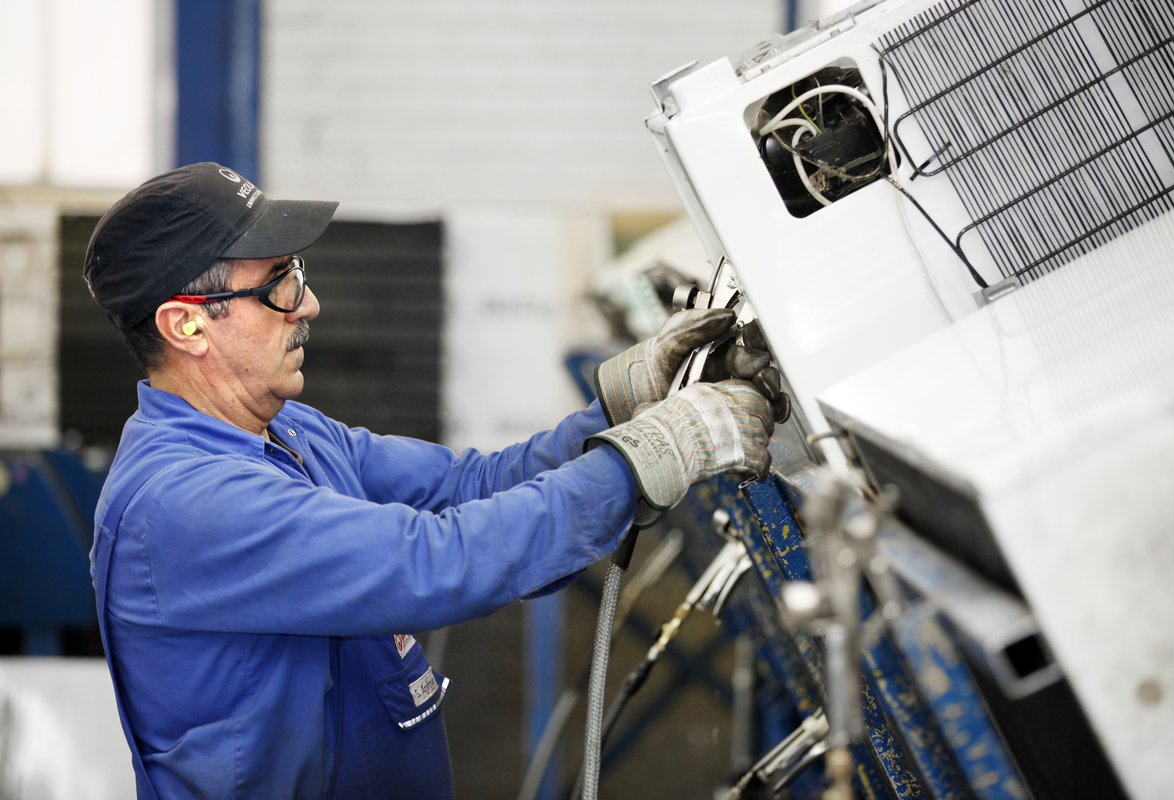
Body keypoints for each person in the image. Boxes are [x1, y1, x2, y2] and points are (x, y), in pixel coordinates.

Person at [84, 162, 776, 800]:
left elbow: (467, 489)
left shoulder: (291, 431)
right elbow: (437, 559)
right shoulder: (185, 501)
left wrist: (619, 411)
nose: (308, 305)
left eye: (296, 272)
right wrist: (648, 458)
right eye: (278, 285)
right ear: (187, 325)